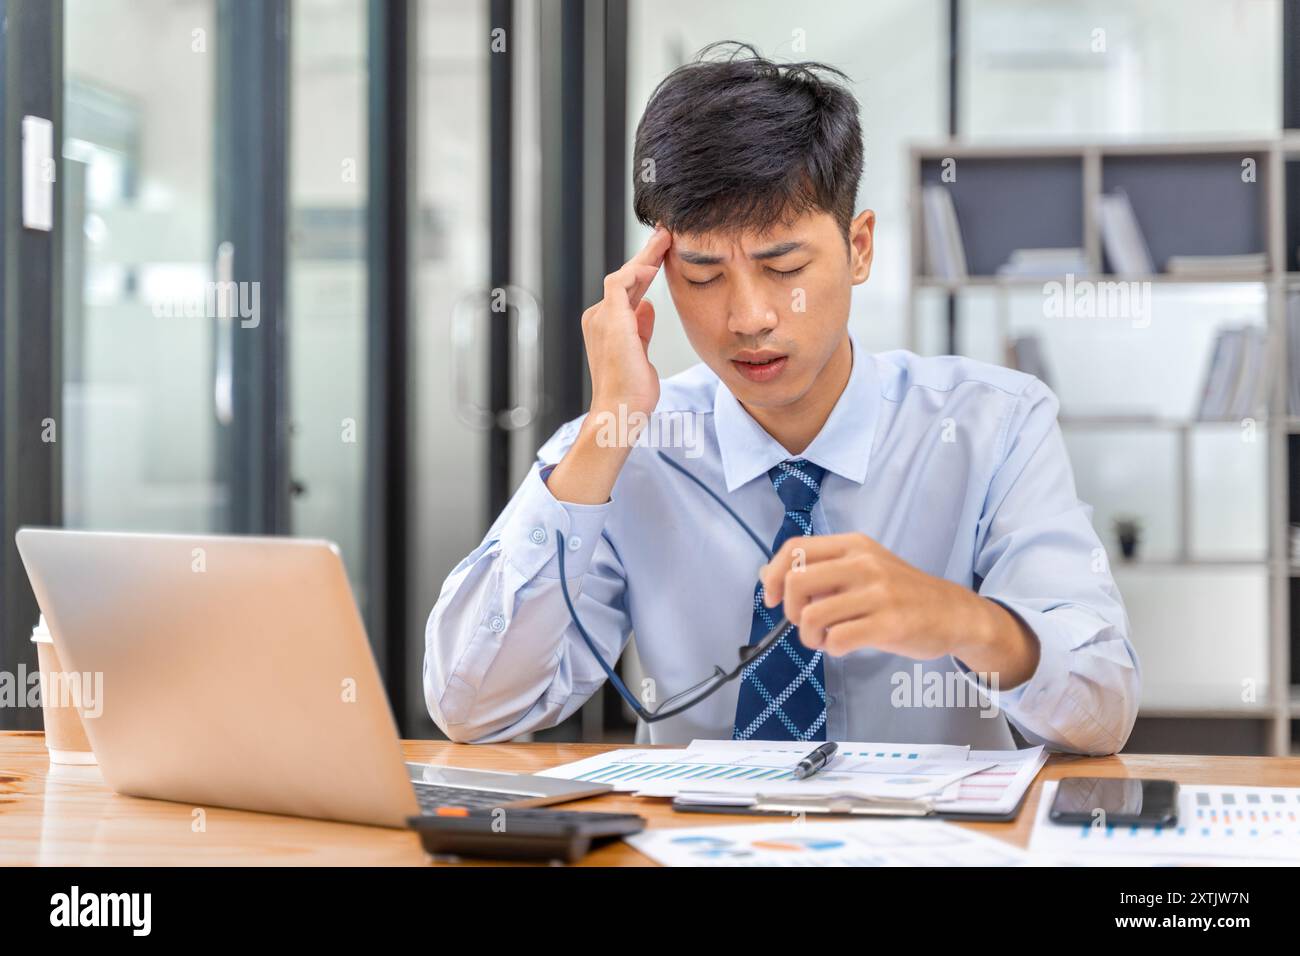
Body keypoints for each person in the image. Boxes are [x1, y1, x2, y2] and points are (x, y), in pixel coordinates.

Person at [424, 42, 1139, 753]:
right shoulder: (623, 447)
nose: (749, 318)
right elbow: (472, 708)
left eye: (784, 265)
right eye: (702, 275)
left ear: (859, 248)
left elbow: (1104, 709)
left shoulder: (995, 423)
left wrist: (964, 620)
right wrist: (609, 425)